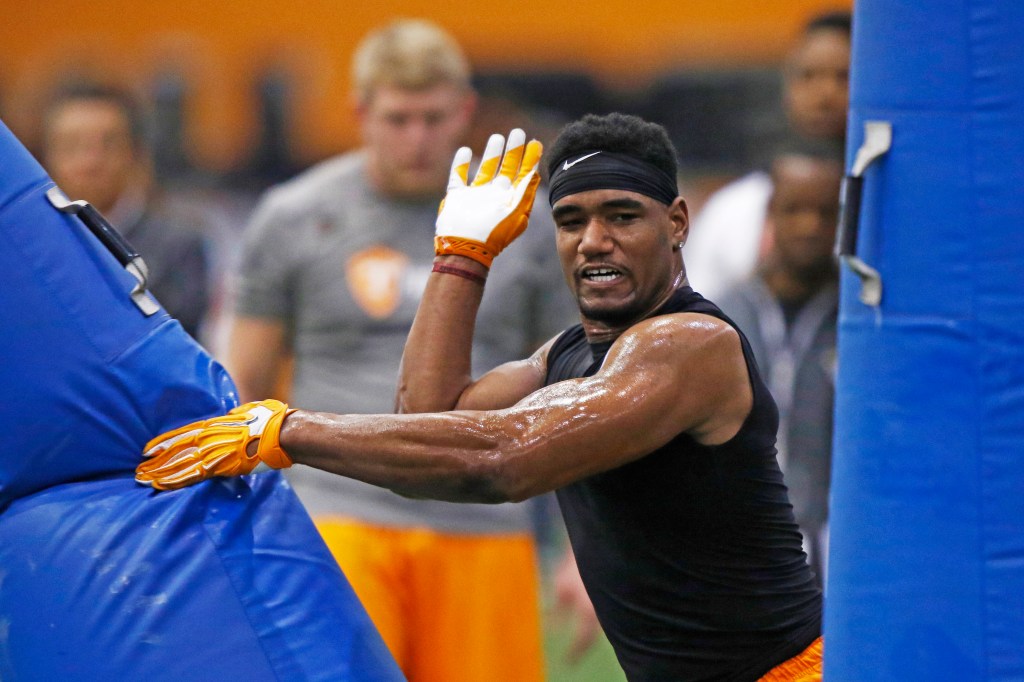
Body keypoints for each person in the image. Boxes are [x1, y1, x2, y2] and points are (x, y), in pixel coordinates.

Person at [139, 113, 824, 681]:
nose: (594, 241)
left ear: (676, 223)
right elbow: (426, 423)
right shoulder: (566, 352)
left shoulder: (689, 344)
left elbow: (503, 460)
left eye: (622, 216)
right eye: (571, 220)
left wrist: (286, 433)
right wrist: (460, 255)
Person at [223, 19, 573, 682]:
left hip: (483, 516)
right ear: (360, 114)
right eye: (398, 119)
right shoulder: (293, 215)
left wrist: (582, 551)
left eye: (433, 118)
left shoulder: (527, 222)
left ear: (465, 112)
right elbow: (244, 379)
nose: (417, 138)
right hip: (338, 510)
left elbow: (569, 389)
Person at [717, 145, 842, 587]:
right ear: (771, 212)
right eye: (795, 210)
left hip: (831, 545)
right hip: (736, 540)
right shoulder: (723, 316)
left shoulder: (858, 322)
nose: (810, 226)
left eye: (825, 212)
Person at [684, 11, 851, 301]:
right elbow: (695, 314)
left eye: (844, 77)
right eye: (808, 75)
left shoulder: (889, 208)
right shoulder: (733, 210)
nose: (825, 94)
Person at [41, 83, 210, 338]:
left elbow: (177, 338)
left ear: (135, 153)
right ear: (45, 157)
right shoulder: (30, 244)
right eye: (72, 146)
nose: (90, 162)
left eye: (108, 145)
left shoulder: (180, 244)